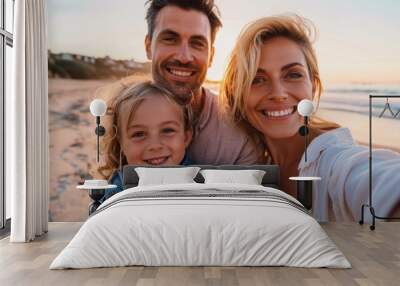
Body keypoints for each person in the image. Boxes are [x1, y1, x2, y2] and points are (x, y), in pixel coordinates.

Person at [220, 14, 400, 221]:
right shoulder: (250, 162)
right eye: (257, 79)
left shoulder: (335, 162)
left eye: (293, 74)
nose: (278, 93)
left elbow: (379, 180)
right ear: (237, 93)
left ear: (313, 86)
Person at [144, 0, 262, 164]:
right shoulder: (123, 118)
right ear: (148, 47)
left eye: (197, 43)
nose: (184, 57)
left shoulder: (240, 135)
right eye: (170, 39)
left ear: (211, 56)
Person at [96, 80, 193, 201]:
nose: (155, 146)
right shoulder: (116, 193)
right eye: (139, 134)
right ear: (121, 143)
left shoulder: (202, 182)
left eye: (167, 130)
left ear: (186, 138)